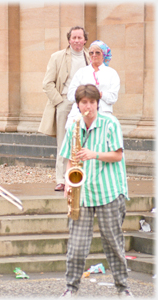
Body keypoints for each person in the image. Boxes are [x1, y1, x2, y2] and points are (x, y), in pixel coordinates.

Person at [59, 84, 133, 297]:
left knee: (113, 243)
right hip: (82, 193)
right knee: (77, 246)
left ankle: (123, 288)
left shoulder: (110, 122)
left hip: (109, 191)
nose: (88, 107)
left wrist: (94, 154)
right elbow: (69, 159)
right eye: (84, 102)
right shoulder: (74, 125)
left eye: (92, 102)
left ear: (97, 103)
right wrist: (67, 181)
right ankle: (70, 289)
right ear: (78, 105)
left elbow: (118, 155)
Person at [38, 26, 90, 192]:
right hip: (65, 102)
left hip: (85, 104)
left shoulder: (90, 56)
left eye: (79, 37)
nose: (76, 40)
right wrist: (59, 102)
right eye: (73, 37)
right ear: (69, 40)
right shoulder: (57, 57)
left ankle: (82, 177)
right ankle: (61, 179)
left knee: (86, 141)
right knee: (63, 142)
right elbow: (47, 83)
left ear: (85, 40)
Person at [65, 40, 120, 129]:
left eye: (97, 52)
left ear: (103, 54)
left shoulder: (111, 73)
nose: (94, 55)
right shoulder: (81, 72)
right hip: (80, 115)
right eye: (91, 53)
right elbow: (71, 95)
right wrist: (85, 94)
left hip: (103, 114)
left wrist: (99, 94)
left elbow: (113, 97)